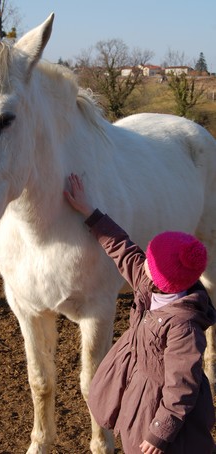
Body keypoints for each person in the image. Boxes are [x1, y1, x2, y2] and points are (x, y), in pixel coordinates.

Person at [64, 173, 216, 454]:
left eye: (151, 259)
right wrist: (90, 211)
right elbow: (121, 247)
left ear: (161, 277)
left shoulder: (184, 327)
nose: (143, 260)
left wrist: (160, 434)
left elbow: (181, 388)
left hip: (165, 414)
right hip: (141, 392)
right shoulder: (150, 284)